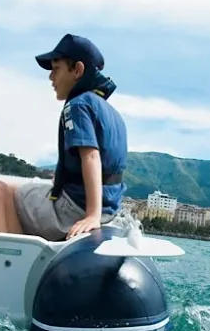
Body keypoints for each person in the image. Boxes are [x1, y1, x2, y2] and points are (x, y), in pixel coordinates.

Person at [8, 33, 128, 241]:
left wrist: (92, 215)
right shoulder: (111, 112)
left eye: (56, 69)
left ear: (78, 70)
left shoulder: (77, 105)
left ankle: (9, 259)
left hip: (75, 208)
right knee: (20, 189)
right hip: (109, 209)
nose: (50, 77)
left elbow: (91, 156)